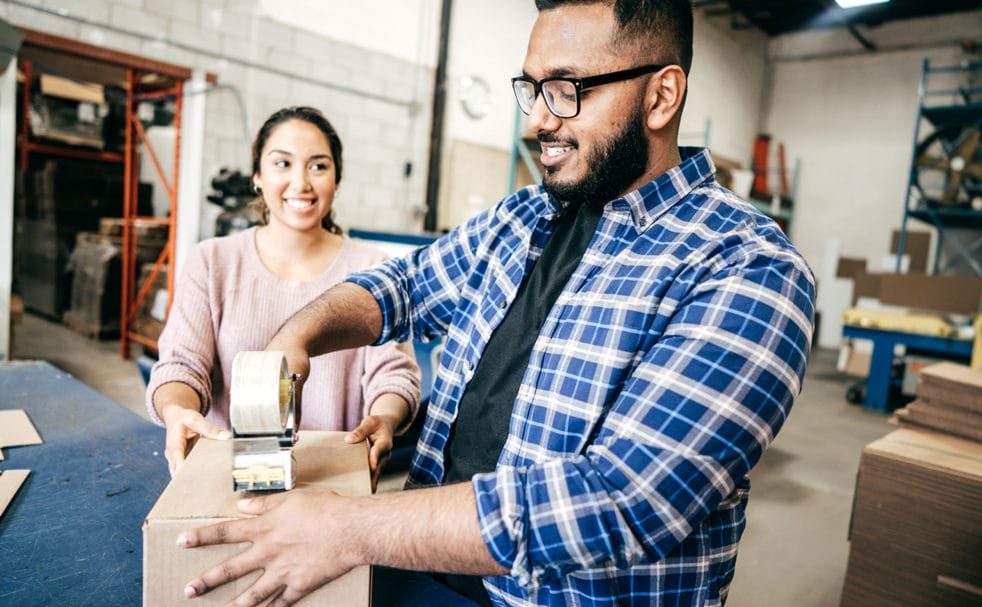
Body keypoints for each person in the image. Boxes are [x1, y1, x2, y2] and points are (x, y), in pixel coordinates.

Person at [176, 2, 816, 605]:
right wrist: (300, 334)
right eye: (532, 89)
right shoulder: (524, 218)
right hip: (424, 571)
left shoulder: (747, 268)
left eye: (567, 89)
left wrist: (350, 527)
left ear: (661, 95)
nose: (538, 119)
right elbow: (399, 288)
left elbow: (620, 500)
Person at [146, 106, 421, 488]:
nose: (301, 182)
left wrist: (386, 417)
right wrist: (178, 412)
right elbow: (181, 365)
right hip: (233, 479)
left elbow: (393, 375)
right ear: (257, 177)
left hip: (331, 481)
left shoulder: (372, 268)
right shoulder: (212, 262)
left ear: (337, 180)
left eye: (318, 166)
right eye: (283, 163)